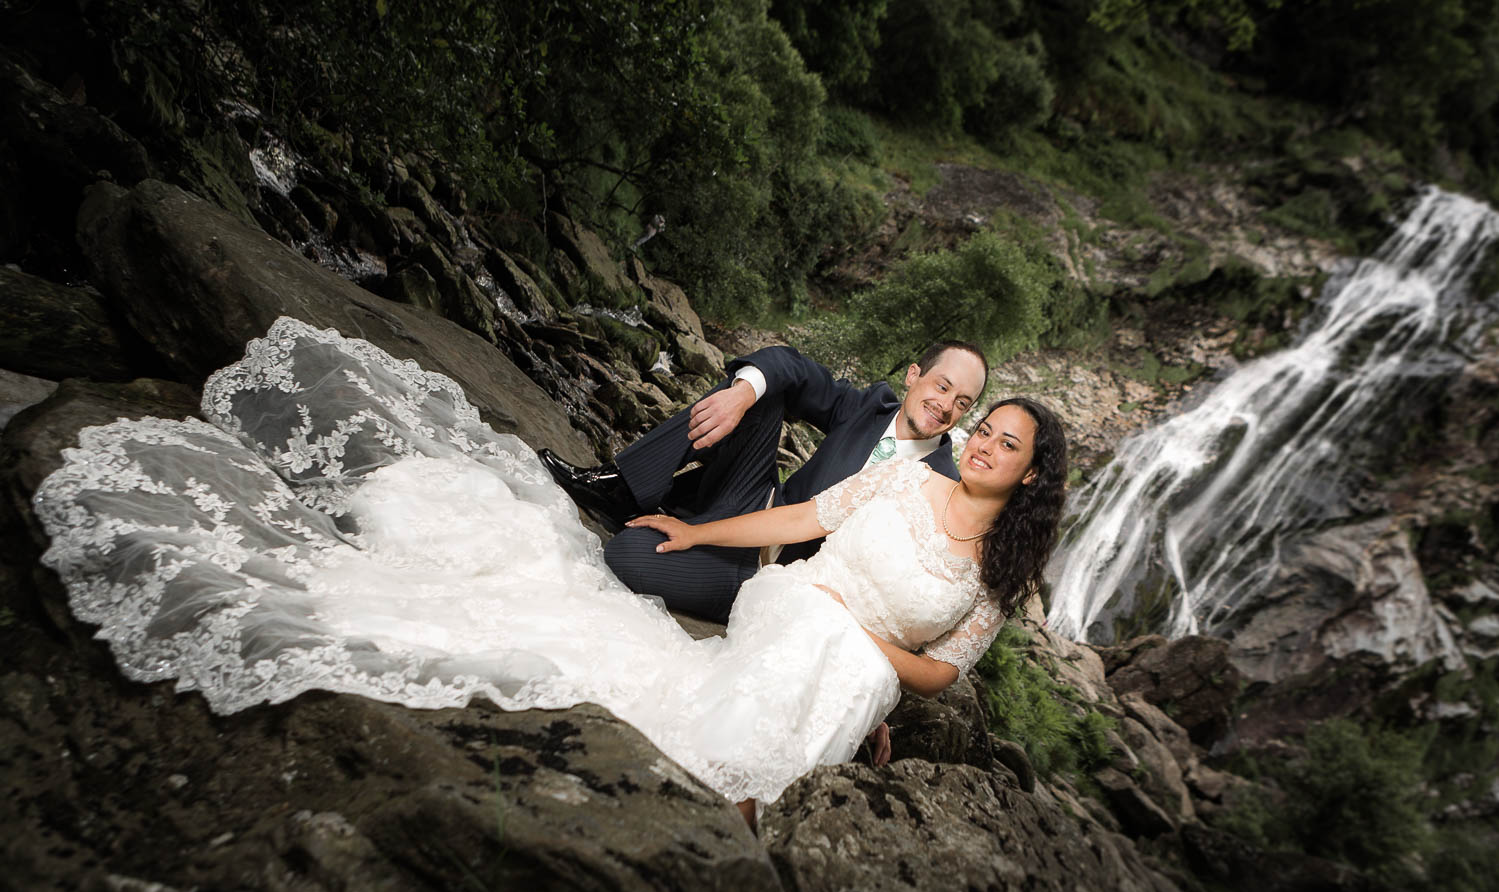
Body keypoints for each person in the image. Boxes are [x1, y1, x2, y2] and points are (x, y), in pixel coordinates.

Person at [31, 318, 1067, 822]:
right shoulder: (869, 417)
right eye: (941, 390)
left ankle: (651, 531)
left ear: (983, 436)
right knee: (738, 410)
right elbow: (800, 440)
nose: (947, 412)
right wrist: (749, 388)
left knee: (636, 580)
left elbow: (936, 643)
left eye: (966, 410)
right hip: (770, 546)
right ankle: (632, 482)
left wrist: (880, 668)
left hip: (797, 596)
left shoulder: (951, 497)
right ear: (923, 380)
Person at [539, 340, 990, 623]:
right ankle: (623, 486)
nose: (946, 405)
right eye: (942, 385)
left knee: (625, 553)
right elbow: (790, 364)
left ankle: (680, 536)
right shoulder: (868, 407)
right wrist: (741, 393)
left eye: (963, 401)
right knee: (759, 391)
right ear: (915, 375)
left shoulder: (941, 486)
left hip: (768, 576)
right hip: (753, 497)